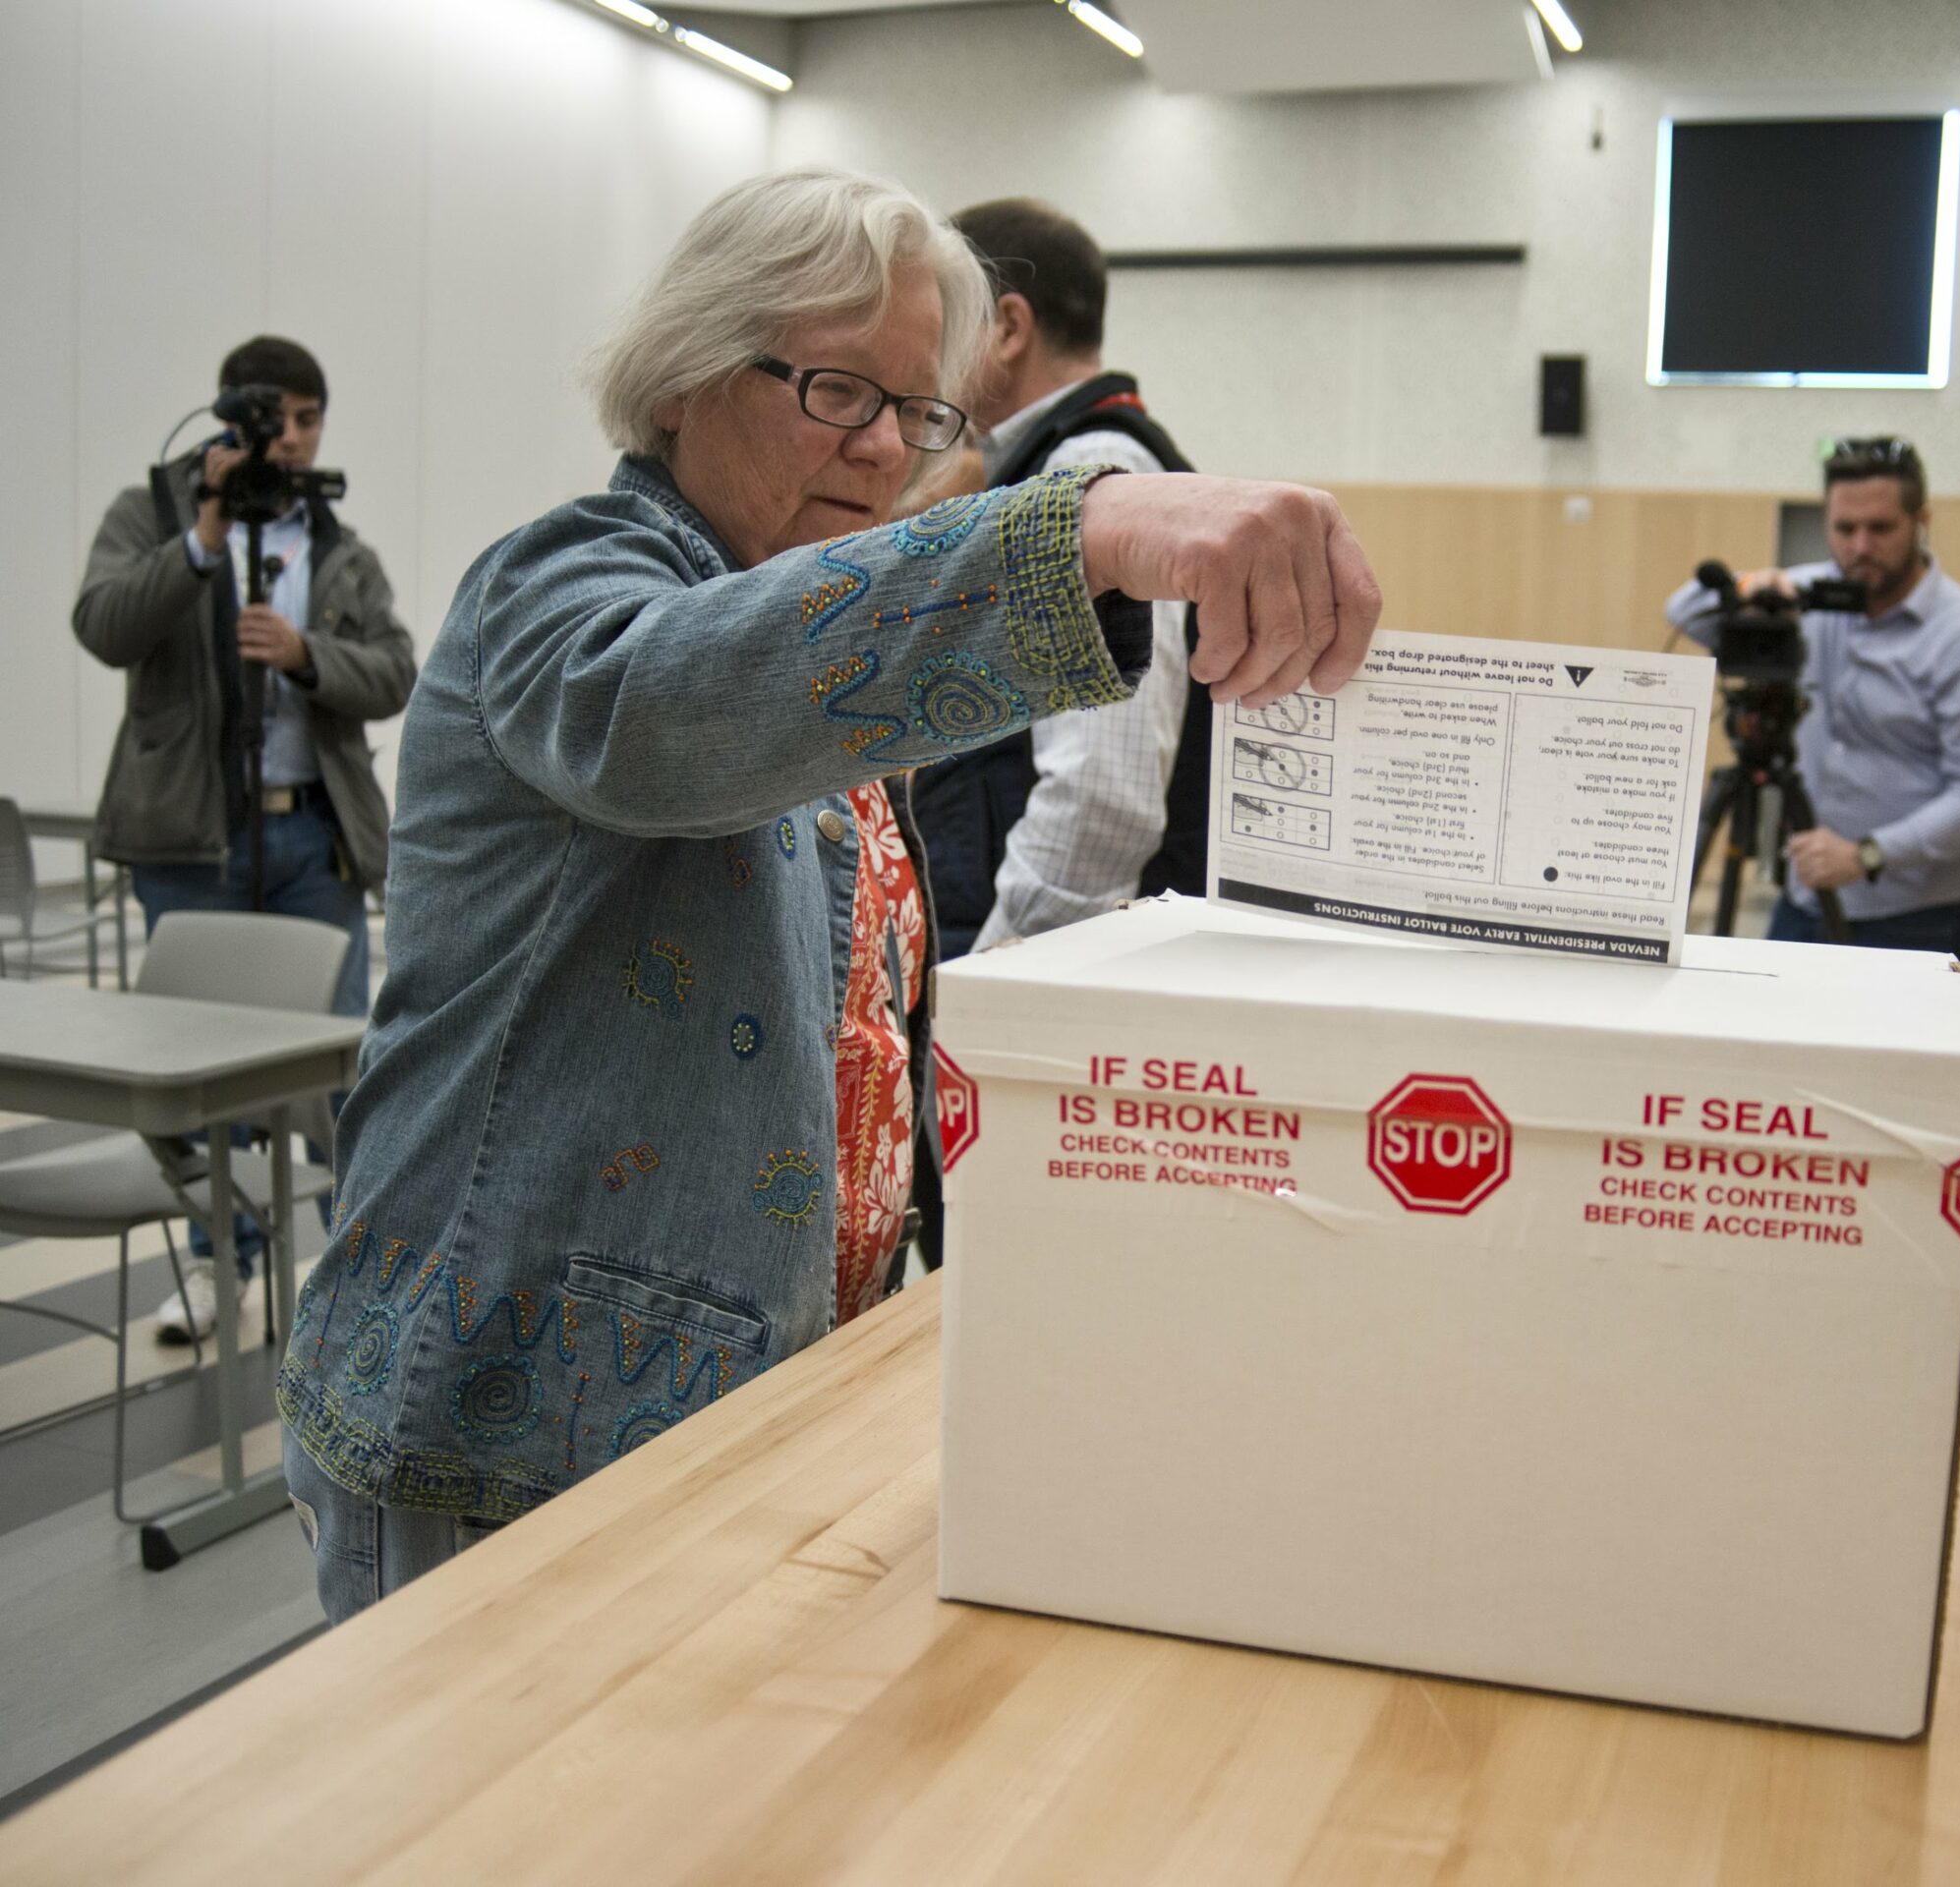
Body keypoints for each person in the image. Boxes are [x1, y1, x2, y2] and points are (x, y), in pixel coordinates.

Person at [271, 168, 1380, 1622]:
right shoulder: (562, 582)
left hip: (721, 1421)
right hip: (501, 1432)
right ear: (682, 379)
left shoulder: (799, 611)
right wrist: (1083, 528)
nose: (882, 452)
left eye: (919, 414)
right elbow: (665, 703)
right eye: (836, 392)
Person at [72, 335, 416, 1340]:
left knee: (343, 1073)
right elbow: (101, 624)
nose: (294, 439)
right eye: (275, 418)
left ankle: (353, 1281)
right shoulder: (155, 512)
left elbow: (394, 669)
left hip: (313, 840)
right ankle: (221, 1266)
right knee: (202, 1076)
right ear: (229, 417)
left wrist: (309, 655)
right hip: (193, 841)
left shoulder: (338, 544)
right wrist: (202, 538)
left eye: (310, 419)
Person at [915, 198, 1205, 959]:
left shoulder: (1090, 474)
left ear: (1009, 328)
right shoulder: (1070, 465)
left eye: (941, 326)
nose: (923, 357)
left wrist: (991, 985)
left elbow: (1102, 799)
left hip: (1030, 962)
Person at [1665, 437, 1960, 970]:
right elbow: (1684, 611)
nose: (1860, 546)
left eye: (1880, 529)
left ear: (1921, 520)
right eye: (1843, 529)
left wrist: (1867, 856)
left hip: (1914, 914)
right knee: (1773, 1045)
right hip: (1805, 897)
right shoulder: (1809, 593)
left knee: (1892, 1056)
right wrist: (1748, 583)